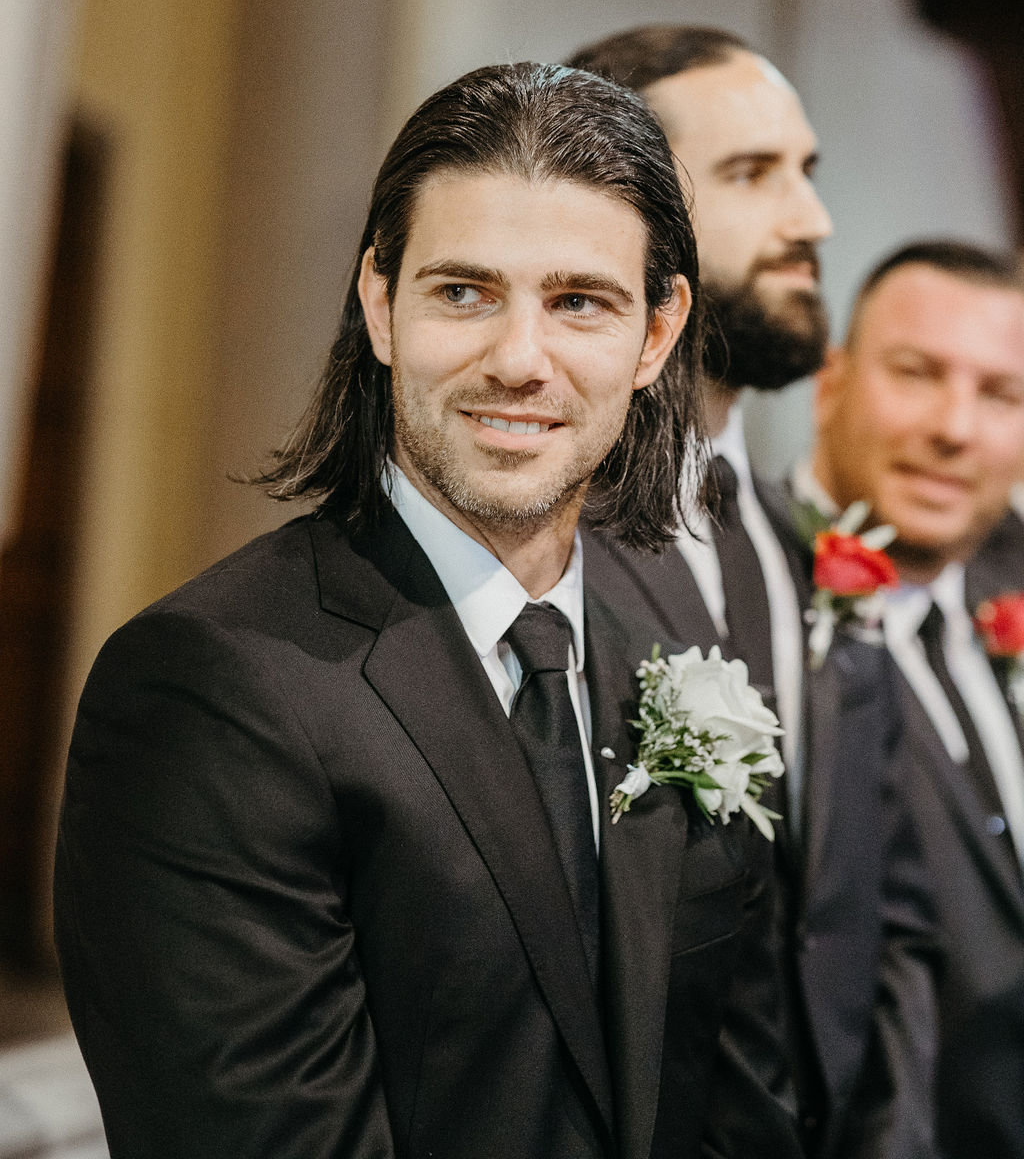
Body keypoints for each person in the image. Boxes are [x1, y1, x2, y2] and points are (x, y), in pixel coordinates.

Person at [55, 62, 802, 1159]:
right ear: (379, 306)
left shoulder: (669, 645)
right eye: (464, 292)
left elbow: (741, 1092)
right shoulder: (215, 686)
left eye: (578, 303)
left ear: (655, 336)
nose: (518, 360)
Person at [569, 27, 939, 1157]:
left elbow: (872, 912)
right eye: (749, 175)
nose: (812, 223)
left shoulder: (799, 546)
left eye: (807, 174)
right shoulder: (547, 553)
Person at [801, 238, 1024, 1159]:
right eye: (917, 373)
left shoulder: (1005, 582)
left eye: (1000, 395)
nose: (954, 428)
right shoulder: (746, 611)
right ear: (832, 381)